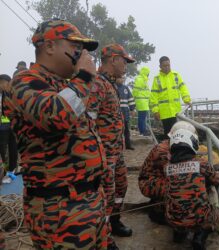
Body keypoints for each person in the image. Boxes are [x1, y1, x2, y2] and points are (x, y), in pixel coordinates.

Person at [3, 19, 111, 249]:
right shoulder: (25, 81)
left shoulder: (63, 84)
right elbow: (55, 117)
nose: (81, 53)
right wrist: (83, 79)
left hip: (89, 200)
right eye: (75, 46)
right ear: (49, 46)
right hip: (59, 208)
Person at [87, 43, 135, 249]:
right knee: (105, 195)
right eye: (124, 61)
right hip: (103, 154)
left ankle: (114, 222)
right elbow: (87, 121)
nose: (126, 65)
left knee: (121, 187)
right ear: (113, 59)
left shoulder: (111, 84)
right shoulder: (97, 84)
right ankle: (104, 238)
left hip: (116, 151)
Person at [138, 121, 219, 223]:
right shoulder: (164, 152)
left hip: (158, 180)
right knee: (183, 184)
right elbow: (181, 172)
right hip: (150, 183)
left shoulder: (173, 145)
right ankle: (161, 208)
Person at [165, 126, 219, 249]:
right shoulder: (201, 164)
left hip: (173, 220)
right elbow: (218, 181)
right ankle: (200, 236)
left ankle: (179, 232)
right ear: (192, 144)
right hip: (198, 220)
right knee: (212, 190)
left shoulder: (167, 168)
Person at [150, 56, 191, 138]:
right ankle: (168, 150)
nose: (167, 67)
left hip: (176, 111)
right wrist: (155, 111)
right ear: (160, 66)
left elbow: (183, 88)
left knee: (178, 133)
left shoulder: (176, 76)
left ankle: (177, 149)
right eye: (165, 66)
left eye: (168, 65)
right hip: (165, 113)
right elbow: (154, 96)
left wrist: (186, 99)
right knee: (168, 134)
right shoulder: (157, 79)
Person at [0, 74, 18, 174]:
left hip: (9, 125)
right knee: (4, 148)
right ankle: (7, 169)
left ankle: (12, 168)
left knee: (12, 147)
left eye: (1, 83)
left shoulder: (11, 93)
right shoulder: (5, 93)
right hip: (5, 125)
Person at [115, 77, 136, 150]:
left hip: (125, 113)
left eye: (123, 78)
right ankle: (117, 146)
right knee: (117, 131)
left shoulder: (126, 88)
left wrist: (132, 109)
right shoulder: (112, 87)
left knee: (126, 131)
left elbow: (130, 99)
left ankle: (128, 145)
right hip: (115, 114)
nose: (121, 79)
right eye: (120, 78)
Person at [132, 66, 151, 136]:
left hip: (144, 101)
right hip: (141, 101)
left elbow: (147, 91)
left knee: (142, 117)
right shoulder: (140, 79)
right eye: (148, 73)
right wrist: (133, 98)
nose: (149, 74)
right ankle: (142, 131)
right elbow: (136, 90)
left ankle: (143, 130)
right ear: (145, 72)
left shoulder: (144, 79)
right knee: (142, 117)